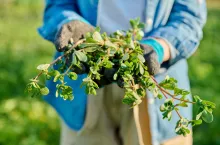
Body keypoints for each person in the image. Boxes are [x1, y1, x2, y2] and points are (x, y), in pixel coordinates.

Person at [38, 0, 207, 145]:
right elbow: (57, 5)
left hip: (155, 85)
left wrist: (158, 47)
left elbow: (189, 17)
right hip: (86, 78)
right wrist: (70, 24)